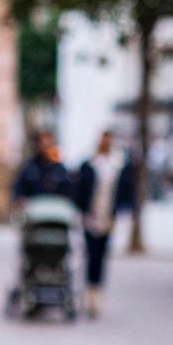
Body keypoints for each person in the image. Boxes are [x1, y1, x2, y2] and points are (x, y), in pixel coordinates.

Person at [72, 130, 129, 318]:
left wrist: (117, 215)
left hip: (107, 220)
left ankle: (97, 297)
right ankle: (87, 296)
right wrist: (81, 213)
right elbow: (79, 191)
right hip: (90, 218)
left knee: (101, 259)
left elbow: (123, 194)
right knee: (90, 256)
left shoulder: (116, 166)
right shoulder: (89, 165)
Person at [11, 129, 72, 206]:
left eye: (48, 144)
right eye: (42, 143)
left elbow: (69, 192)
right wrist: (20, 199)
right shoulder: (29, 168)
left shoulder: (60, 170)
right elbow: (18, 189)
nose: (45, 146)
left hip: (56, 211)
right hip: (33, 211)